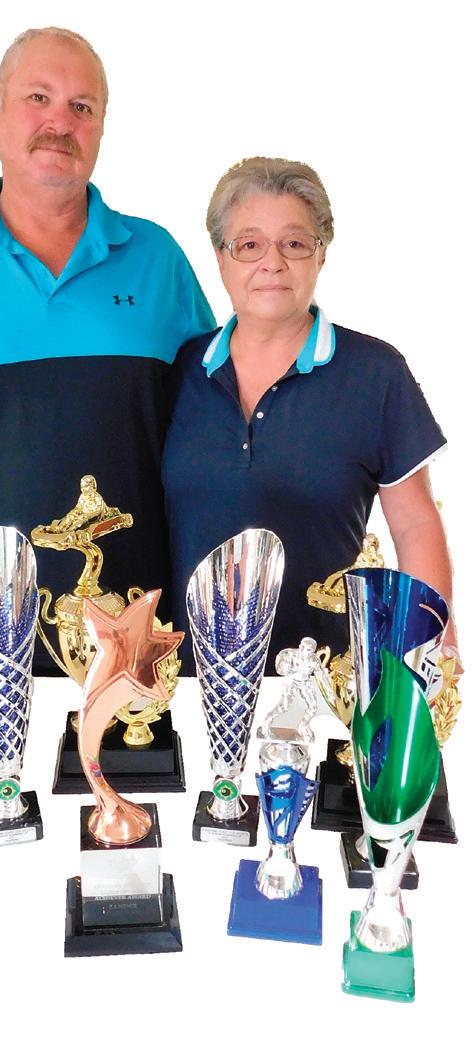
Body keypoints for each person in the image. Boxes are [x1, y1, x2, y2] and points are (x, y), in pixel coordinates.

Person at [0, 27, 214, 666]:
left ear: (101, 127)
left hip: (146, 635)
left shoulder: (157, 260)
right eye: (38, 98)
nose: (60, 122)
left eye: (82, 106)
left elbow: (212, 434)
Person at [162, 156, 458, 671]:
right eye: (249, 245)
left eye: (294, 243)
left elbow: (414, 523)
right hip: (188, 681)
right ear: (220, 258)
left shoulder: (374, 372)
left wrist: (433, 654)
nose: (272, 262)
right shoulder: (181, 370)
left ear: (321, 253)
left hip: (327, 680)